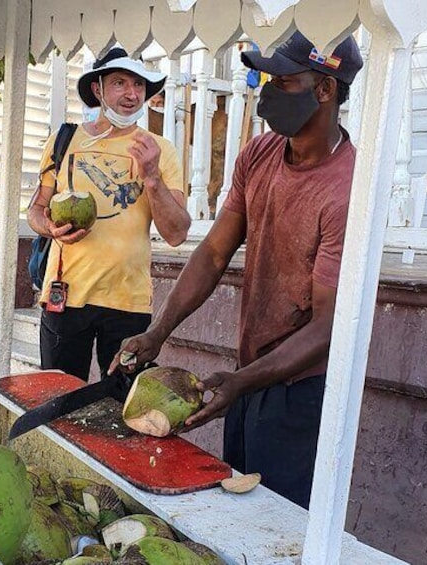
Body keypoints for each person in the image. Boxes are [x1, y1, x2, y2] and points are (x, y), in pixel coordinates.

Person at [110, 32, 364, 509]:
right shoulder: (259, 154)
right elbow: (212, 253)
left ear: (325, 90)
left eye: (283, 82)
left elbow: (330, 325)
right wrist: (158, 332)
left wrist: (244, 381)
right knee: (237, 509)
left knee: (276, 525)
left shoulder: (347, 190)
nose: (266, 93)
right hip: (249, 376)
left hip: (300, 391)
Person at [27, 47, 191, 381]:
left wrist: (152, 175)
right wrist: (50, 228)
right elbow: (35, 210)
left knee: (120, 405)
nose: (132, 94)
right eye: (120, 83)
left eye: (139, 86)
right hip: (66, 295)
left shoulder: (160, 150)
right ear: (98, 89)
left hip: (128, 300)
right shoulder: (65, 140)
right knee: (59, 398)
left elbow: (176, 233)